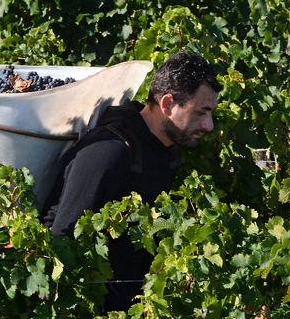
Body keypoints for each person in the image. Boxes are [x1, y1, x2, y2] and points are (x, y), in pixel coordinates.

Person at [41, 52, 223, 311]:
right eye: (201, 112)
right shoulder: (110, 152)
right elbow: (62, 239)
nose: (209, 125)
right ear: (168, 104)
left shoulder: (168, 148)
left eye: (211, 113)